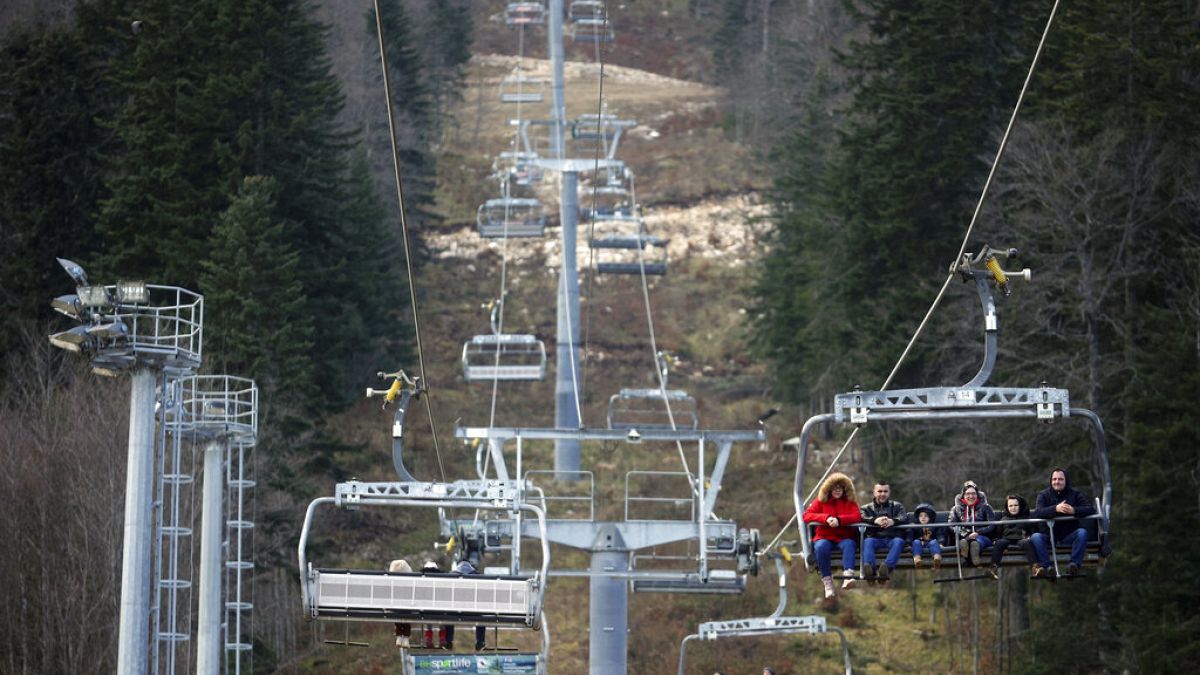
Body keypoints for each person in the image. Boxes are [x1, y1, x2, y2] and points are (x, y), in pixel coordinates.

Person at [802, 472, 861, 599]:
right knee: (821, 547)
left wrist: (839, 520)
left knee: (850, 544)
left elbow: (857, 516)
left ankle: (848, 576)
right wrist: (826, 518)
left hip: (843, 537)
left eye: (840, 488)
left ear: (845, 489)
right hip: (825, 536)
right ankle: (827, 583)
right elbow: (807, 515)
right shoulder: (821, 502)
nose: (837, 491)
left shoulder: (850, 502)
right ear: (829, 489)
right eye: (834, 488)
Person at [1029, 468, 1095, 578]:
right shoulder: (1043, 495)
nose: (1057, 482)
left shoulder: (1075, 494)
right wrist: (1055, 509)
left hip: (1068, 535)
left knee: (1082, 533)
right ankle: (1047, 567)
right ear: (1051, 481)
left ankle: (1073, 565)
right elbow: (1038, 512)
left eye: (1060, 479)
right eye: (1054, 479)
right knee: (1035, 537)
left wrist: (1074, 510)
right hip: (1049, 537)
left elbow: (1090, 509)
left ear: (1066, 481)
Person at [859, 482, 910, 584]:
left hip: (892, 537)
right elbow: (861, 516)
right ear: (874, 492)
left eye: (885, 491)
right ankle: (870, 569)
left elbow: (904, 517)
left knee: (899, 542)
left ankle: (886, 568)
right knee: (868, 541)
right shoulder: (866, 508)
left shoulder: (897, 506)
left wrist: (893, 521)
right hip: (875, 538)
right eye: (879, 491)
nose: (882, 494)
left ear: (889, 493)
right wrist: (874, 520)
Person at [987, 495, 1039, 579]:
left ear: (1020, 506)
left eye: (1016, 505)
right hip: (1006, 538)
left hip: (1021, 538)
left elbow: (1032, 530)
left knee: (1027, 543)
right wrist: (995, 539)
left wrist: (1030, 536)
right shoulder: (1004, 519)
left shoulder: (1026, 518)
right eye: (1010, 506)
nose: (1013, 508)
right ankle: (993, 567)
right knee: (999, 543)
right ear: (1007, 507)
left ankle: (1035, 567)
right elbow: (998, 532)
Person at [949, 482, 995, 567]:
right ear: (963, 495)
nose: (971, 496)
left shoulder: (986, 507)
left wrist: (977, 532)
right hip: (964, 536)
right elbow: (951, 526)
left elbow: (992, 525)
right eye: (968, 494)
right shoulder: (956, 509)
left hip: (982, 536)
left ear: (977, 495)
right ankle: (967, 553)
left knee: (977, 541)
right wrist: (966, 533)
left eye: (973, 493)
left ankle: (974, 553)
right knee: (964, 541)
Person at [453, 558, 489, 651]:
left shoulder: (452, 575)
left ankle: (448, 641)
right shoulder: (478, 576)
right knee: (481, 617)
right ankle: (480, 642)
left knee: (447, 614)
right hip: (473, 611)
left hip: (455, 611)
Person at [908, 503, 943, 570]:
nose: (923, 517)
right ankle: (917, 559)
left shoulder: (934, 526)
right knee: (916, 542)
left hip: (930, 542)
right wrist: (908, 543)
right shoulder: (915, 526)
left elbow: (940, 535)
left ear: (930, 517)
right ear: (918, 518)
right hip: (919, 543)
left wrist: (941, 543)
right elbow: (910, 536)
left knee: (934, 542)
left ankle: (937, 558)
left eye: (926, 516)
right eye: (921, 516)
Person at [388, 559, 413, 647]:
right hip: (408, 607)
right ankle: (406, 638)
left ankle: (399, 636)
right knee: (407, 618)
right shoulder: (410, 583)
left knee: (397, 616)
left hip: (395, 606)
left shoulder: (392, 583)